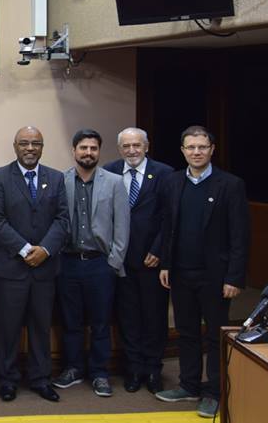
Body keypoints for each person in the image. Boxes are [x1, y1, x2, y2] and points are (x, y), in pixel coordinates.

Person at [156, 126, 250, 419]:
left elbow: (240, 236)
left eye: (202, 147)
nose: (196, 152)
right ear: (183, 151)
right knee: (186, 333)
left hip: (216, 276)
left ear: (212, 149)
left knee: (214, 335)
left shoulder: (230, 185)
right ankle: (189, 385)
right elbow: (168, 228)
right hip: (181, 273)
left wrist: (234, 277)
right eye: (190, 147)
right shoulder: (172, 182)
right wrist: (165, 264)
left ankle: (214, 392)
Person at [0, 126, 69, 403]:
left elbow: (63, 220)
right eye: (24, 143)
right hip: (10, 268)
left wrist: (45, 249)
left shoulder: (56, 178)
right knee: (8, 328)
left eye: (35, 143)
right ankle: (8, 379)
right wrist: (24, 249)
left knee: (40, 327)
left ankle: (41, 378)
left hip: (45, 268)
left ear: (42, 147)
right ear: (15, 146)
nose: (30, 148)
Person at [53, 129, 129, 398]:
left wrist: (113, 263)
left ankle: (99, 373)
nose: (88, 153)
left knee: (100, 323)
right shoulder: (59, 180)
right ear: (74, 151)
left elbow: (122, 227)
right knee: (70, 322)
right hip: (68, 263)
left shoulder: (115, 182)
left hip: (100, 264)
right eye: (83, 148)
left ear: (99, 151)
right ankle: (73, 368)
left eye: (93, 148)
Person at [104, 127, 174, 394]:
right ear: (119, 149)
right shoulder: (109, 171)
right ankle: (133, 369)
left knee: (154, 317)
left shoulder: (165, 173)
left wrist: (159, 249)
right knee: (128, 317)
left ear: (146, 146)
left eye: (137, 145)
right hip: (120, 260)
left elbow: (169, 216)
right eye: (126, 146)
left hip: (151, 260)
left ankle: (153, 369)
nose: (131, 151)